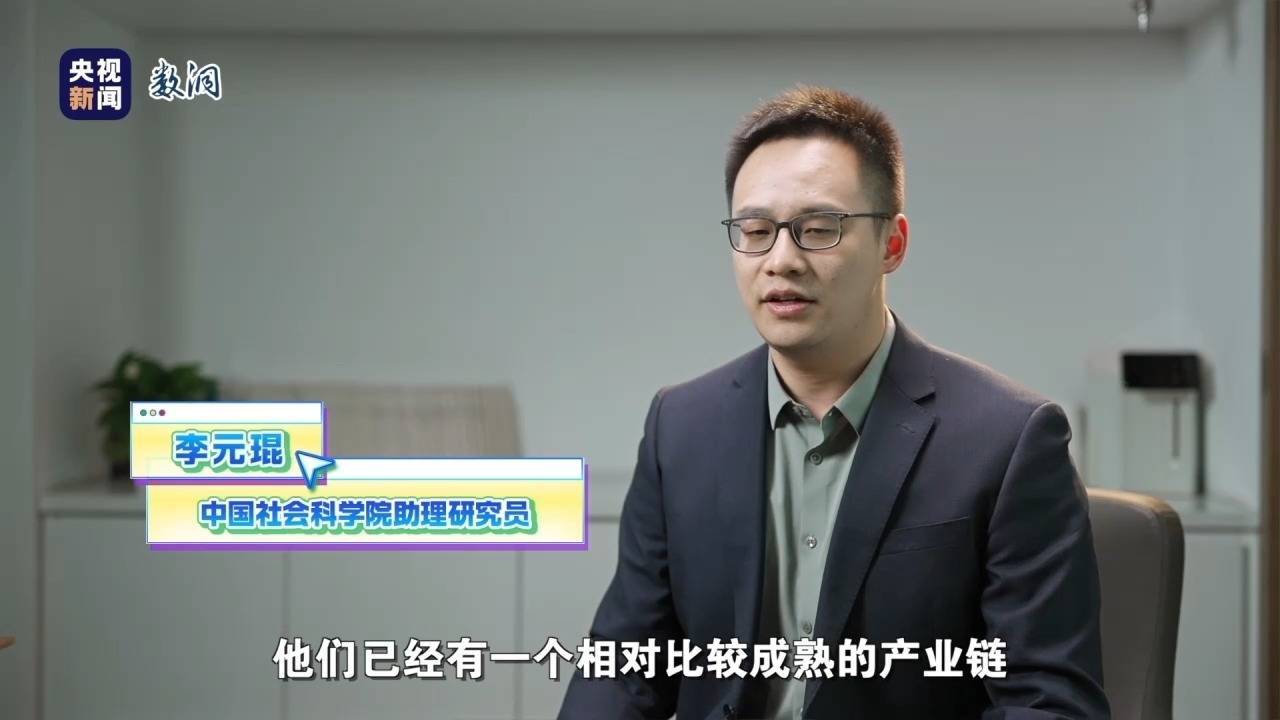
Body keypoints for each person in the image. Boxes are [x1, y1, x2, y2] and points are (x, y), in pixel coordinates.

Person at [558, 85, 1110, 720]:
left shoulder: (1008, 441)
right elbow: (623, 668)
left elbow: (1047, 703)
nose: (781, 261)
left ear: (892, 244)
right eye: (755, 231)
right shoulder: (680, 427)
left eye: (818, 230)